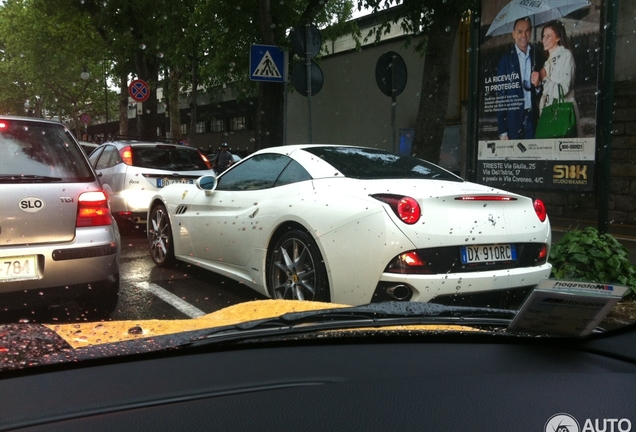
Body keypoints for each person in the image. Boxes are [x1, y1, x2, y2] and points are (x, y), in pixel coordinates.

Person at [531, 20, 582, 136]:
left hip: (562, 110)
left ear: (558, 38)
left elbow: (562, 90)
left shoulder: (565, 56)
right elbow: (545, 92)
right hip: (549, 112)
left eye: (548, 36)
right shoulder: (547, 62)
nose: (544, 40)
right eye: (543, 36)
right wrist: (537, 84)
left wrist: (544, 79)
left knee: (562, 147)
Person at [496, 17, 538, 140]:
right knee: (515, 158)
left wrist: (538, 85)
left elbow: (540, 90)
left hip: (532, 117)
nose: (524, 35)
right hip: (513, 119)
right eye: (520, 31)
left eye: (527, 30)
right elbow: (501, 95)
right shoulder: (506, 60)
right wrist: (502, 130)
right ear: (513, 34)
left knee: (533, 157)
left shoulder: (537, 54)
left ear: (531, 32)